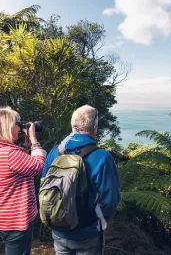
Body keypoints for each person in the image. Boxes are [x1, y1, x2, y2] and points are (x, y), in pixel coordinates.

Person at [41, 105, 121, 255]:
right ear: (95, 127)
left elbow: (43, 184)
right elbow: (110, 200)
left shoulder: (54, 152)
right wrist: (99, 220)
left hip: (59, 230)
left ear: (73, 126)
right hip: (88, 233)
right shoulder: (103, 157)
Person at [0, 106, 47, 255]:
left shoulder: (7, 153)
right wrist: (34, 140)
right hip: (15, 222)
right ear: (8, 127)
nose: (20, 128)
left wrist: (25, 145)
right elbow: (39, 166)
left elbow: (20, 165)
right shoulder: (11, 154)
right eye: (17, 124)